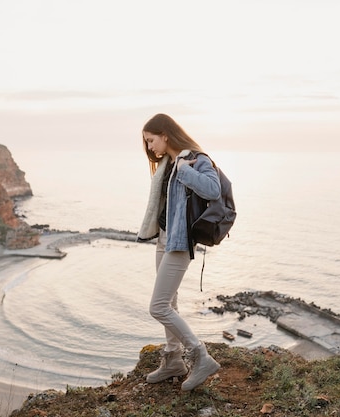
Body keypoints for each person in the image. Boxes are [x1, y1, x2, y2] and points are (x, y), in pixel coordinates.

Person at [137, 113, 221, 391]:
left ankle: (201, 356)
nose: (149, 147)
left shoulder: (196, 159)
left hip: (180, 242)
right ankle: (173, 360)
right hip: (164, 238)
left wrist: (185, 169)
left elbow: (213, 190)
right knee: (169, 302)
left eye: (151, 140)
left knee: (157, 307)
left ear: (165, 135)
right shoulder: (167, 163)